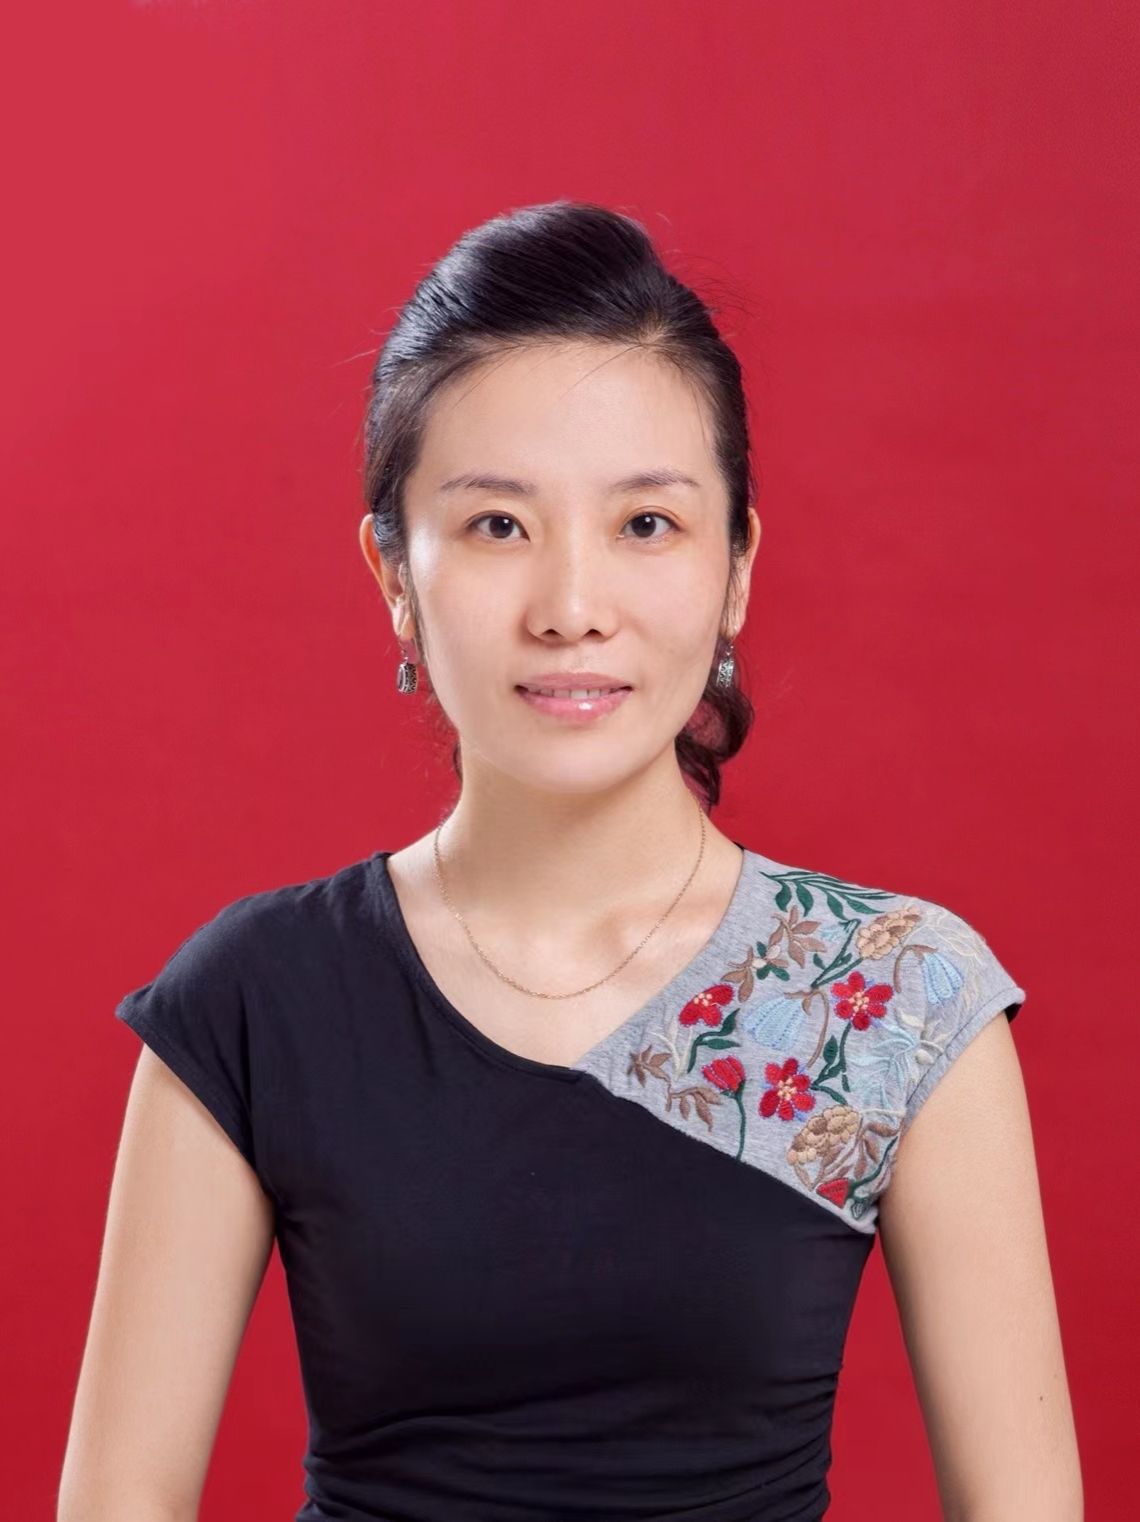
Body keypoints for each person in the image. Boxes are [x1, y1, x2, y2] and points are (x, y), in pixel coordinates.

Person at [60, 201, 1082, 1522]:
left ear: (736, 567)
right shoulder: (255, 999)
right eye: (498, 525)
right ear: (394, 573)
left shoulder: (893, 993)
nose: (572, 607)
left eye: (646, 524)